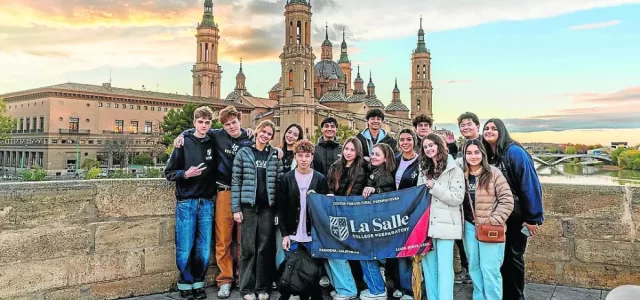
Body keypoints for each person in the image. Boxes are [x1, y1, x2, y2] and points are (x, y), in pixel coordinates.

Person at [173, 105, 254, 298]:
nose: (231, 126)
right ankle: (224, 280)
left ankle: (242, 277)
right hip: (224, 191)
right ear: (222, 126)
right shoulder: (217, 135)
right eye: (227, 124)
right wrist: (182, 135)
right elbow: (198, 129)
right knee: (223, 239)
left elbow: (264, 143)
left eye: (234, 122)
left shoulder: (249, 137)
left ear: (240, 121)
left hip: (245, 193)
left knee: (244, 240)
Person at [481, 118, 543, 300]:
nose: (489, 131)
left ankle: (516, 297)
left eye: (493, 128)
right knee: (499, 260)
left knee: (513, 259)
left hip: (516, 218)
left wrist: (533, 218)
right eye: (486, 128)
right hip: (499, 217)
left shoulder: (514, 152)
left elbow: (530, 185)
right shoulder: (489, 155)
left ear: (502, 131)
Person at [165, 106, 217, 300]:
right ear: (194, 122)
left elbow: (232, 133)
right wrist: (186, 174)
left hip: (207, 202)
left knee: (203, 247)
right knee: (185, 246)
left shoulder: (213, 141)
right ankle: (185, 283)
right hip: (186, 202)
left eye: (207, 122)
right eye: (200, 122)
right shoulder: (183, 143)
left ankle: (198, 283)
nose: (204, 125)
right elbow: (169, 173)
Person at [232, 120, 284, 300]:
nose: (265, 135)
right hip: (248, 207)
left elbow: (279, 184)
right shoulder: (244, 153)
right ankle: (246, 288)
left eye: (269, 134)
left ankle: (263, 287)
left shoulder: (274, 156)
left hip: (267, 209)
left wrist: (278, 211)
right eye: (263, 132)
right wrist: (236, 208)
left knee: (265, 249)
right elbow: (236, 181)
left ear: (271, 137)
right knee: (248, 248)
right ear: (257, 131)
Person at [461, 139, 514, 300]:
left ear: (482, 154)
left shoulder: (493, 173)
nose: (473, 156)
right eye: (469, 153)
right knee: (474, 267)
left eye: (476, 152)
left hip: (490, 228)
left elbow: (507, 200)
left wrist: (493, 220)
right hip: (469, 228)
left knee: (490, 269)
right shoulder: (461, 175)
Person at [277, 139, 329, 300]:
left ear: (312, 157)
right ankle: (288, 293)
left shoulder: (320, 179)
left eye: (307, 156)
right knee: (291, 266)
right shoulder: (287, 178)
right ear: (295, 157)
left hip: (311, 234)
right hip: (293, 233)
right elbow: (281, 208)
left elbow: (323, 208)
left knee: (311, 270)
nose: (304, 159)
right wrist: (285, 234)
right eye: (300, 156)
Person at [418, 133, 465, 300]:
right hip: (426, 226)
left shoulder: (454, 169)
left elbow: (457, 198)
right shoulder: (424, 170)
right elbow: (419, 197)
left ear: (439, 145)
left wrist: (434, 186)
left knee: (445, 269)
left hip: (446, 225)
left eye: (432, 145)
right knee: (429, 268)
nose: (429, 149)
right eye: (425, 147)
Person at [325, 137, 368, 300]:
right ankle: (342, 287)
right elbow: (329, 186)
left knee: (346, 252)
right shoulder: (335, 167)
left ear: (357, 152)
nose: (348, 152)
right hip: (334, 214)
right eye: (346, 149)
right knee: (335, 251)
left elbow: (356, 193)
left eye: (352, 150)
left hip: (351, 215)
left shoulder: (361, 169)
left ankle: (349, 288)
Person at [359, 143, 396, 300]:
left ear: (386, 158)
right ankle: (376, 285)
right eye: (372, 154)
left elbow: (389, 192)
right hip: (375, 220)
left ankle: (377, 289)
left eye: (377, 155)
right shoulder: (374, 169)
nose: (373, 157)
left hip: (378, 221)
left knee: (367, 254)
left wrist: (376, 190)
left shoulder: (385, 174)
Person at [387, 128, 420, 300]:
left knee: (408, 250)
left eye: (408, 139)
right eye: (402, 139)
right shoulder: (395, 160)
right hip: (395, 212)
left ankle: (409, 289)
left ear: (414, 141)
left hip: (414, 211)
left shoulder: (421, 161)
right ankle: (398, 285)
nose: (405, 142)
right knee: (397, 250)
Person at [454, 111, 483, 283]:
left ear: (477, 126)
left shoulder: (484, 145)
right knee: (468, 247)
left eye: (468, 124)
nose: (465, 127)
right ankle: (471, 275)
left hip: (482, 208)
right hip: (465, 205)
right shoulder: (461, 147)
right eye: (462, 125)